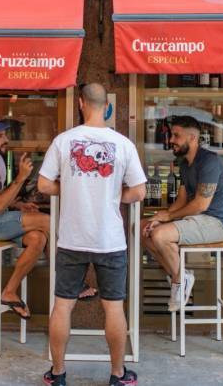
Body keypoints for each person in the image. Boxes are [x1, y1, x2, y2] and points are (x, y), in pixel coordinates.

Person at [38, 83, 146, 386]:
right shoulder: (123, 144)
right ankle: (117, 374)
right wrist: (113, 196)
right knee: (114, 307)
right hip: (110, 240)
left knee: (62, 305)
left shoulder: (64, 141)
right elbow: (138, 191)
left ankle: (57, 374)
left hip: (72, 239)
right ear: (108, 107)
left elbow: (44, 185)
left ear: (82, 103)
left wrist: (69, 189)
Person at [0, 120, 97, 319]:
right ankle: (70, 281)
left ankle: (9, 292)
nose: (5, 139)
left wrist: (18, 205)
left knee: (38, 239)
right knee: (48, 222)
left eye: (5, 135)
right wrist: (21, 178)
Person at [141, 115, 223, 312]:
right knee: (144, 228)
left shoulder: (209, 161)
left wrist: (168, 218)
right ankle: (180, 276)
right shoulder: (185, 164)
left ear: (192, 138)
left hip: (216, 222)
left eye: (176, 136)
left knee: (159, 235)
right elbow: (182, 200)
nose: (171, 140)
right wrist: (160, 216)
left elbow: (200, 204)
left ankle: (179, 280)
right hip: (196, 219)